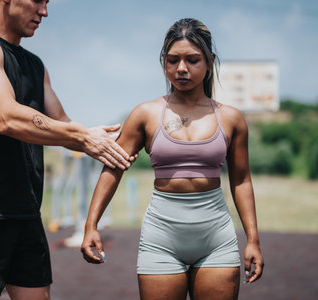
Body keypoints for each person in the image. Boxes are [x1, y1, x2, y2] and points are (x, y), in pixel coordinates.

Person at [0, 0, 136, 299]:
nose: (44, 12)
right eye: (37, 1)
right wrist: (82, 136)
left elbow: (62, 124)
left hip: (25, 211)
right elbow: (5, 118)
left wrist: (117, 139)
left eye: (47, 3)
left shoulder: (35, 65)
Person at [81, 18, 264, 300]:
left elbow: (241, 181)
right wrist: (91, 225)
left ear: (209, 61)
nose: (181, 69)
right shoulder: (145, 114)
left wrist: (253, 239)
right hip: (161, 238)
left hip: (216, 238)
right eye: (172, 60)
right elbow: (112, 169)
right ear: (163, 62)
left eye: (192, 60)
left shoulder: (231, 119)